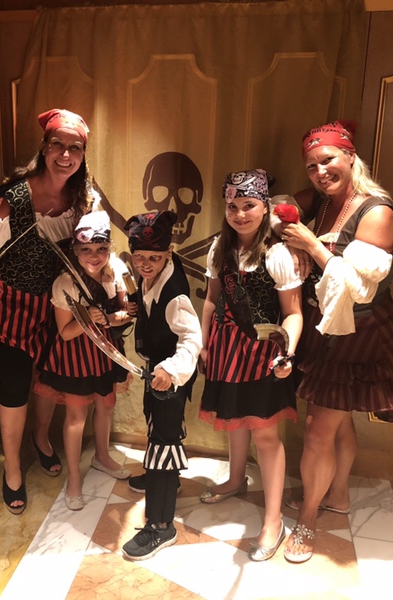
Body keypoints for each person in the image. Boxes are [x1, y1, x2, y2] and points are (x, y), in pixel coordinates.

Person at [0, 108, 92, 514]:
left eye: (75, 148)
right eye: (58, 145)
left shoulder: (81, 198)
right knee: (14, 380)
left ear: (83, 154)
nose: (66, 155)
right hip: (9, 304)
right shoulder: (14, 196)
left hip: (55, 304)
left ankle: (40, 438)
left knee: (51, 375)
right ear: (44, 148)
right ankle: (12, 468)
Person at [278, 120, 393, 563]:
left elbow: (359, 289)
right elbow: (278, 205)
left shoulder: (377, 211)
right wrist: (288, 232)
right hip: (326, 323)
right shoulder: (323, 201)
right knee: (338, 421)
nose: (320, 172)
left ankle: (308, 519)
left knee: (317, 430)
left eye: (328, 160)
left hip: (358, 330)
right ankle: (338, 495)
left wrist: (311, 245)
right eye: (311, 166)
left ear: (350, 156)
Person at [198, 169, 303, 561]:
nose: (240, 214)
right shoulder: (219, 247)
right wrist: (204, 344)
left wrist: (287, 353)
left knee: (266, 435)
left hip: (264, 354)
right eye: (233, 206)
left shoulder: (277, 254)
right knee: (234, 418)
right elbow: (211, 300)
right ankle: (234, 478)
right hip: (226, 348)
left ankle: (273, 521)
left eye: (248, 205)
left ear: (265, 207)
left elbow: (293, 313)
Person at [34, 210, 133, 510]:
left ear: (109, 248)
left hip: (106, 352)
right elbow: (65, 333)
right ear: (76, 250)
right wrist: (88, 318)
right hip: (75, 357)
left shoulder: (116, 270)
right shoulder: (65, 283)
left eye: (101, 248)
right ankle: (74, 478)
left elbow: (125, 313)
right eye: (86, 249)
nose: (94, 256)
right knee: (76, 418)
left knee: (106, 405)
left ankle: (102, 456)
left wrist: (113, 318)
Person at [121, 210, 202, 561]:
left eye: (153, 258)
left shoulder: (175, 294)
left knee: (164, 443)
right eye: (139, 257)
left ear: (168, 253)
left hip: (172, 373)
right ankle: (163, 478)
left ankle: (161, 524)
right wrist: (136, 307)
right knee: (155, 423)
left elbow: (192, 339)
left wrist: (170, 369)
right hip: (158, 369)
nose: (145, 264)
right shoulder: (152, 276)